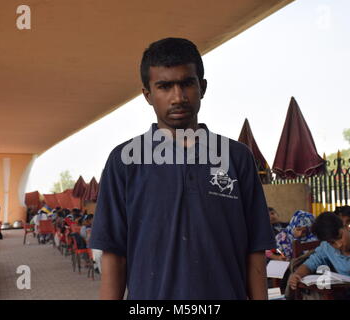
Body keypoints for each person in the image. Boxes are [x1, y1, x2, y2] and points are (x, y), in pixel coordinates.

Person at [89, 38, 276, 300]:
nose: (178, 97)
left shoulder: (237, 158)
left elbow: (255, 251)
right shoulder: (124, 162)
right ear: (147, 95)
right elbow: (114, 257)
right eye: (164, 86)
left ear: (202, 87)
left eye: (187, 83)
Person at [288, 212, 350, 300]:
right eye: (332, 243)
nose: (339, 244)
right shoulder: (326, 246)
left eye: (340, 237)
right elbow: (311, 263)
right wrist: (297, 275)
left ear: (346, 226)